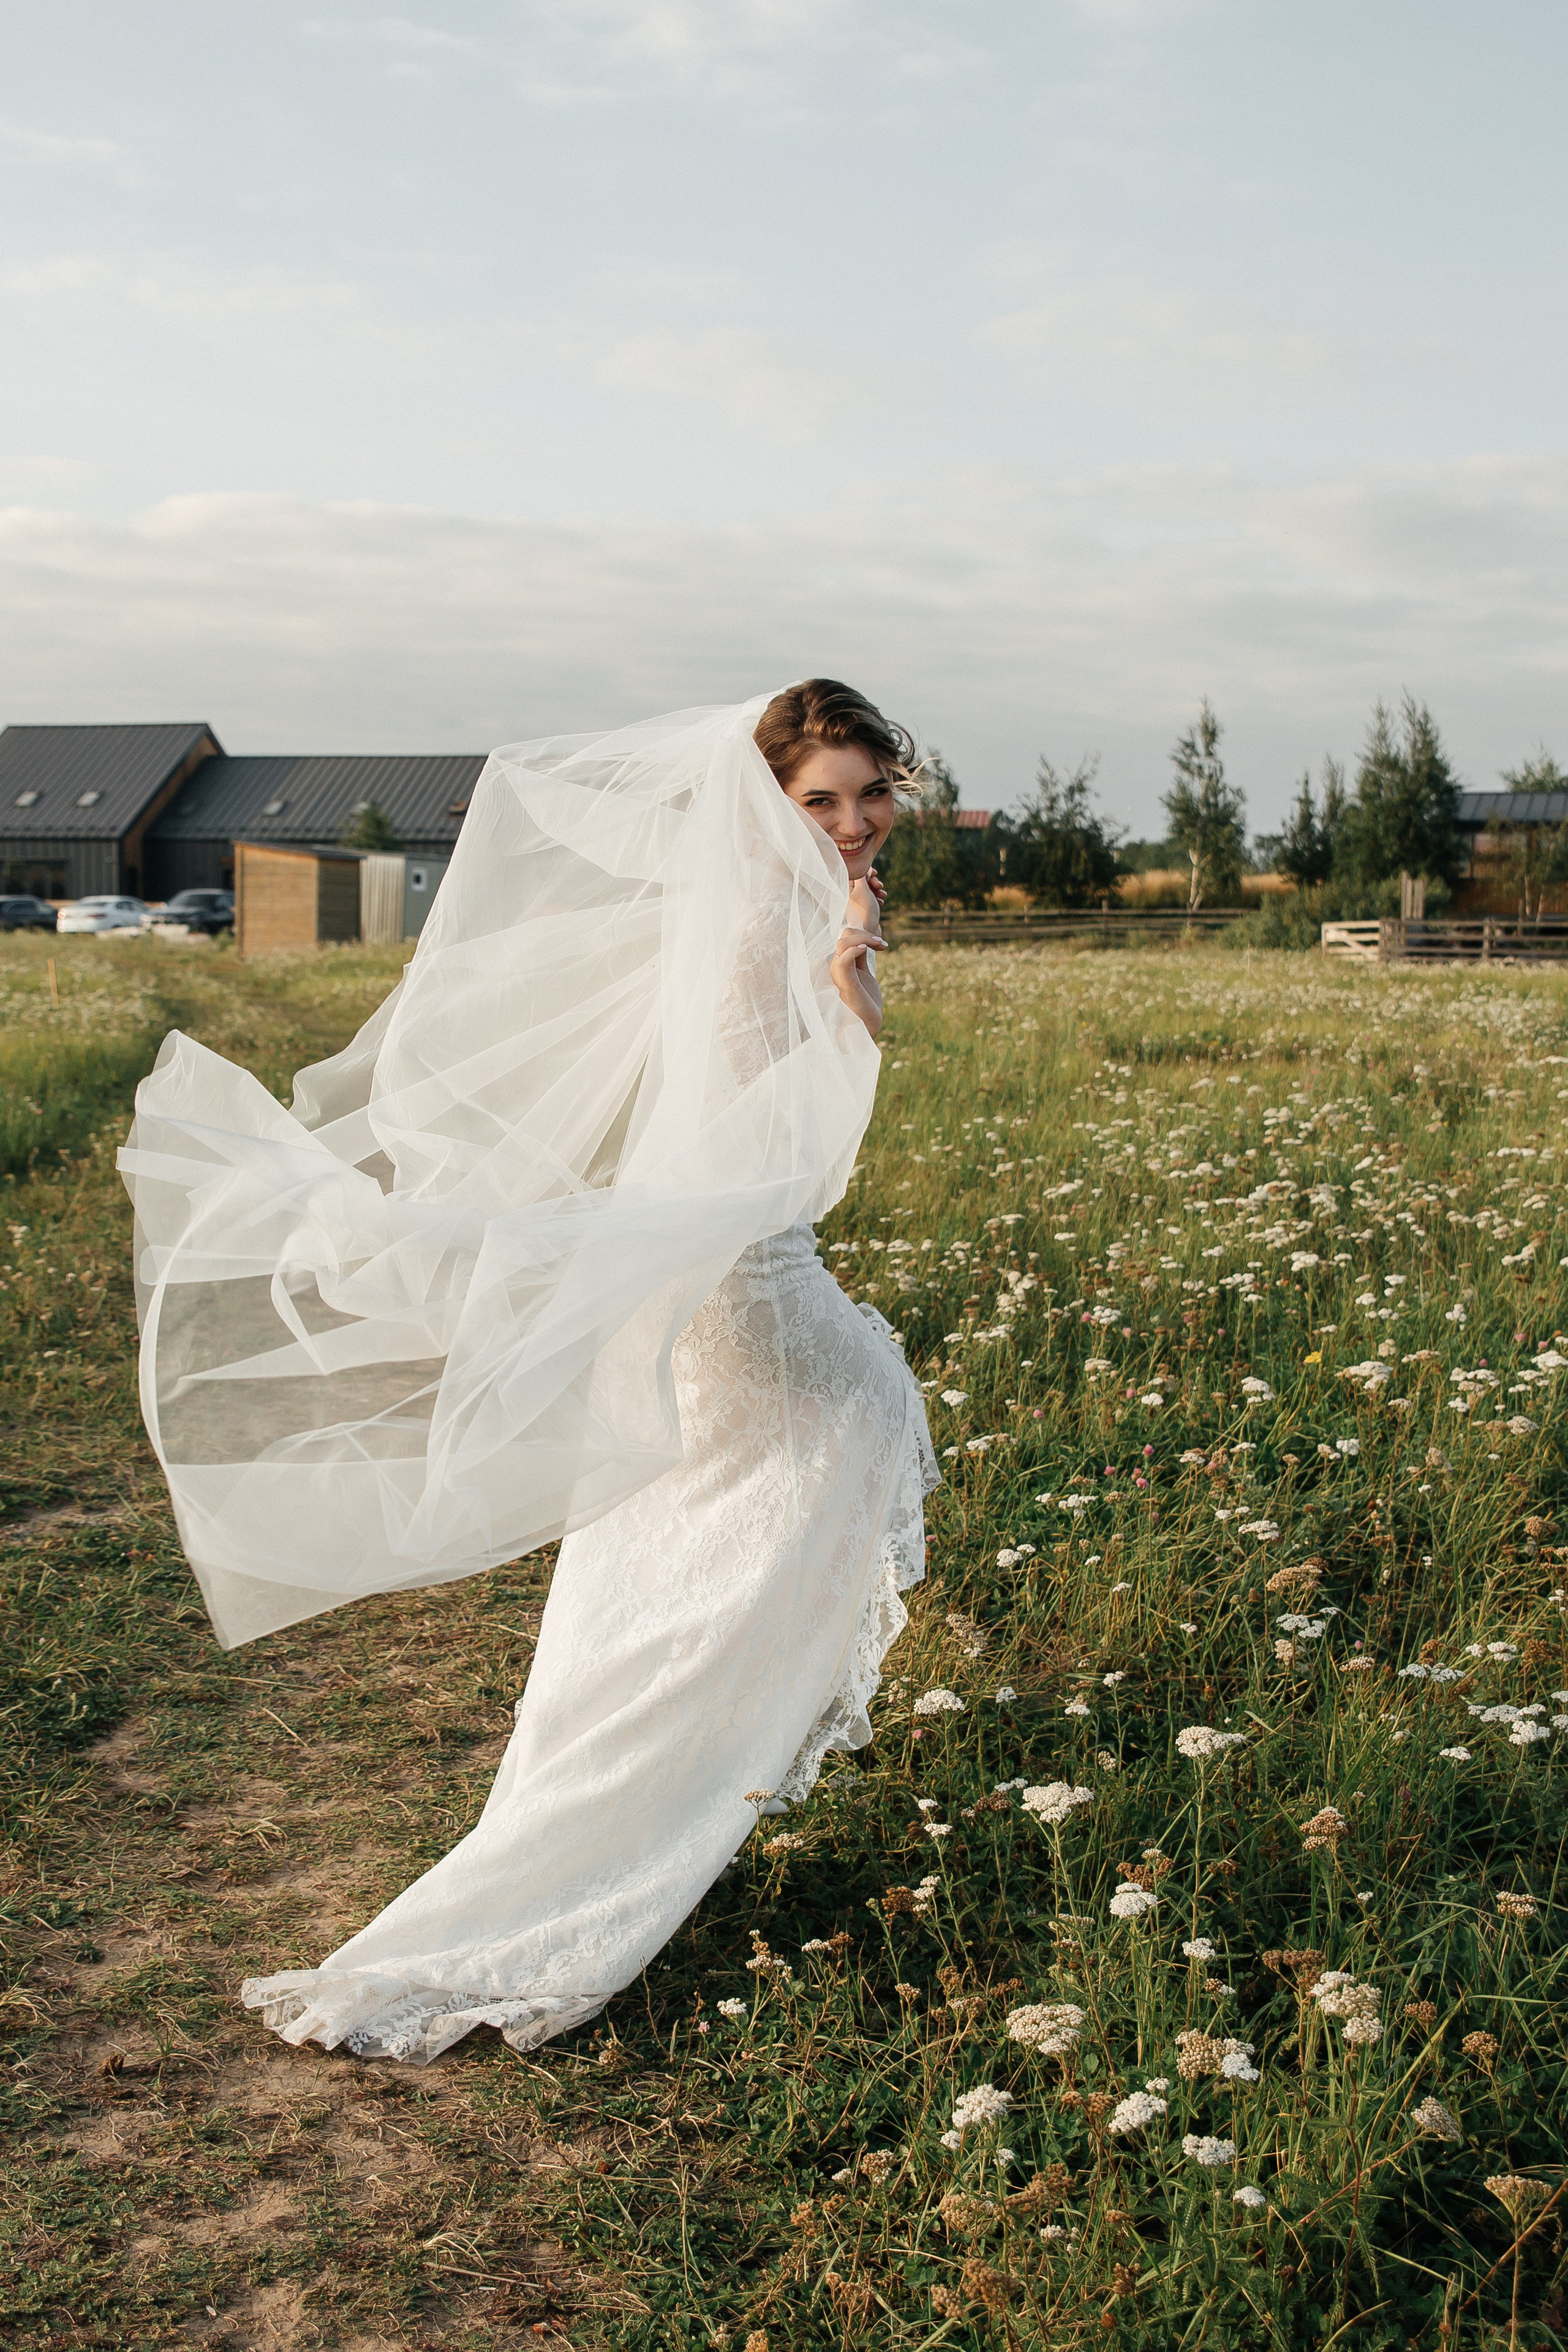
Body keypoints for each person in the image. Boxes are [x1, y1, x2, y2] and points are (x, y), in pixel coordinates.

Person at [121, 680, 938, 2062]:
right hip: (753, 1304)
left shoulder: (794, 913)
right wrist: (846, 977)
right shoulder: (767, 924)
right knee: (733, 1574)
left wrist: (849, 955)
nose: (855, 822)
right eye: (820, 800)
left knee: (655, 1596)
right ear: (766, 807)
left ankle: (583, 1843)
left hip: (725, 1299)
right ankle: (595, 1861)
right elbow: (755, 1164)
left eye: (871, 792)